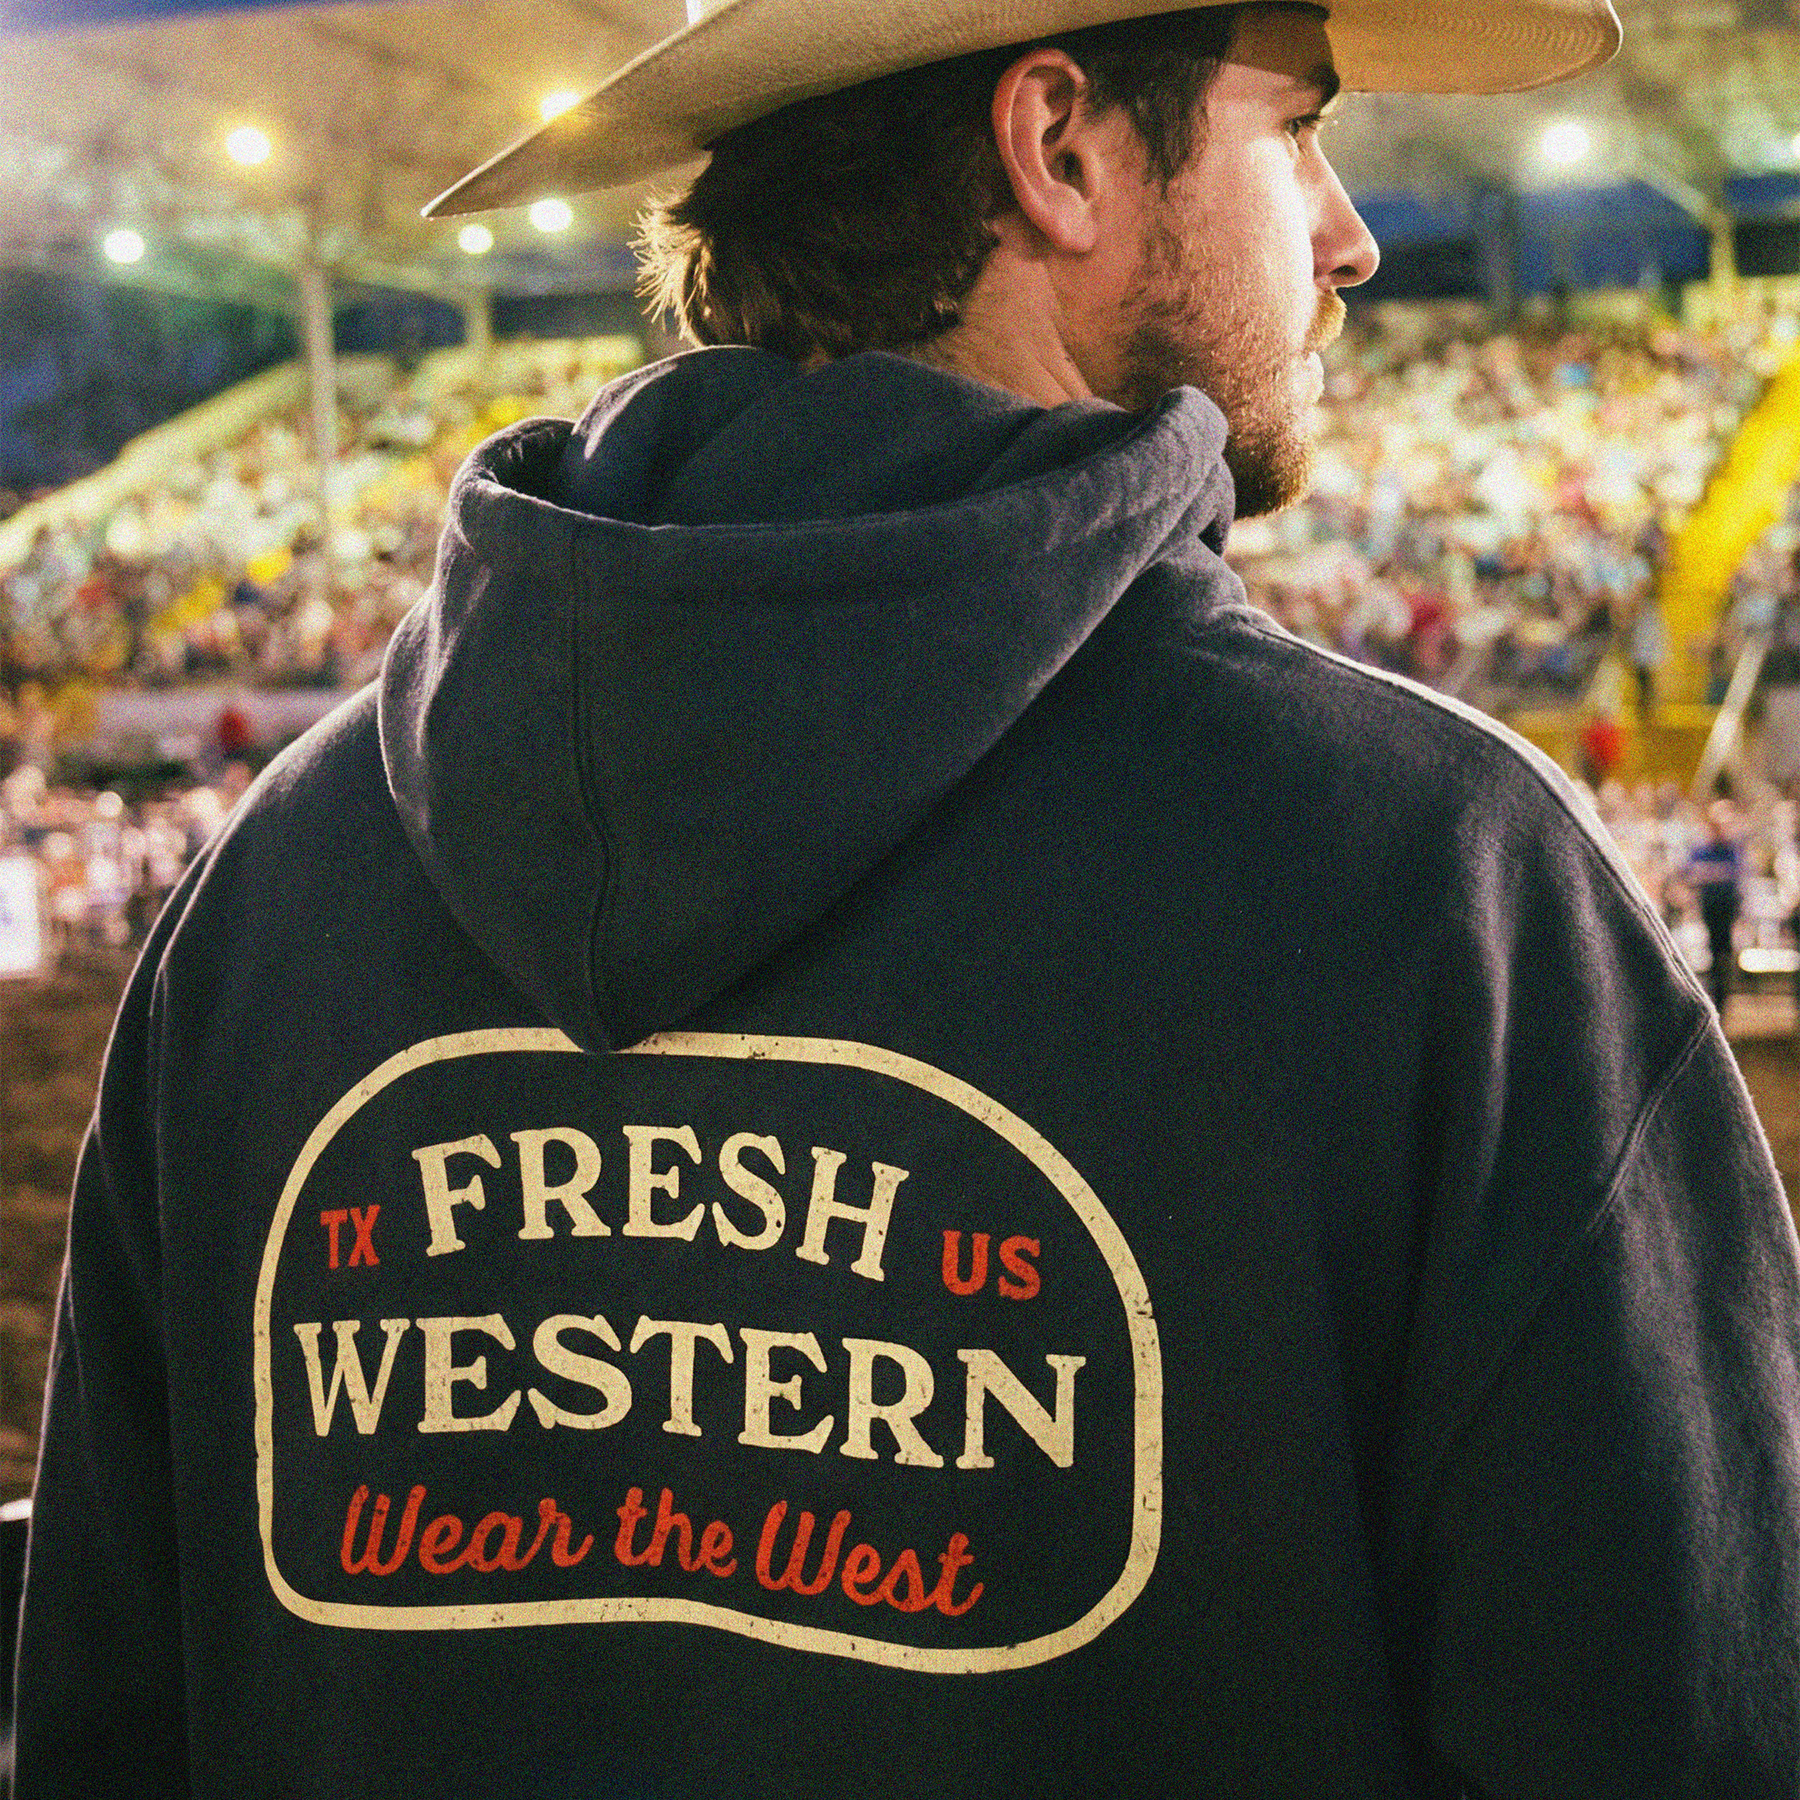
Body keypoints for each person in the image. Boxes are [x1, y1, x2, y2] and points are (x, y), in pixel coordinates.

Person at [19, 0, 1800, 1795]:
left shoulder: (275, 880)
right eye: (1300, 135)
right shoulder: (1443, 883)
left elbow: (106, 1718)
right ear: (1063, 149)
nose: (1350, 236)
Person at [1686, 797, 1745, 1015]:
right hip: (1710, 909)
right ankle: (1715, 1000)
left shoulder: (1732, 850)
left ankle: (1724, 1000)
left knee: (1725, 955)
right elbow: (1692, 873)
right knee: (1713, 954)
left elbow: (1735, 874)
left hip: (1728, 910)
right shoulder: (1702, 849)